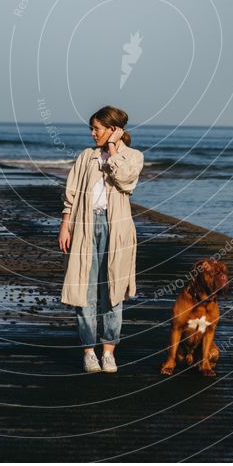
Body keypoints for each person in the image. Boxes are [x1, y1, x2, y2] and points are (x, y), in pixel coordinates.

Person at [58, 106, 144, 373]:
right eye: (92, 129)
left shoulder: (133, 156)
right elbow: (71, 191)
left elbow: (126, 181)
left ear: (113, 130)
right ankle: (88, 352)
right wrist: (65, 224)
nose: (93, 133)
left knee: (113, 291)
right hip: (85, 225)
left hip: (116, 229)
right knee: (83, 289)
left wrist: (115, 151)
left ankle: (108, 351)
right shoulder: (87, 157)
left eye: (97, 128)